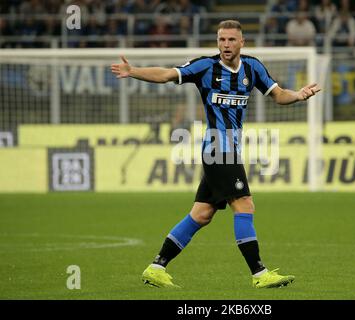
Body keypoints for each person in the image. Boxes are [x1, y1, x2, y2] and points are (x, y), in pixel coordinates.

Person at [110, 20, 320, 289]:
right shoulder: (205, 67)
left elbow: (278, 95)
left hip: (230, 148)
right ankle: (259, 273)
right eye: (221, 40)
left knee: (202, 213)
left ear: (242, 42)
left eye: (231, 40)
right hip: (217, 147)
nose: (226, 45)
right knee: (244, 204)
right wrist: (133, 71)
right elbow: (166, 75)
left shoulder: (253, 67)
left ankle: (156, 267)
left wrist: (299, 95)